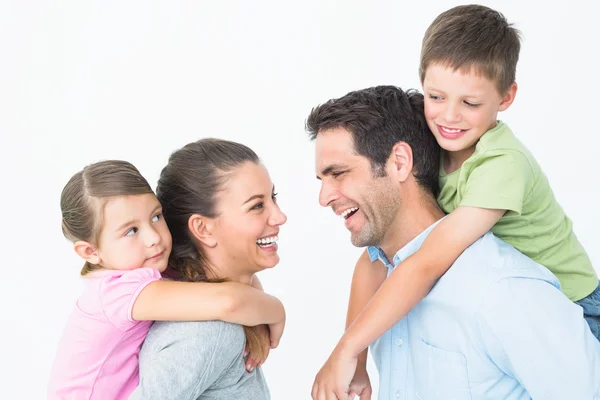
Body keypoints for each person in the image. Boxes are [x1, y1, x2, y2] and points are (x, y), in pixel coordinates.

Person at [307, 85, 600, 399]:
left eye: (338, 173)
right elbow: (371, 264)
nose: (324, 198)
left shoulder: (502, 288)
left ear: (400, 163)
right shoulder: (381, 279)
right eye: (322, 180)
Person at [48, 159, 285, 400]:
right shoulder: (120, 291)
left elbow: (226, 283)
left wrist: (254, 312)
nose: (153, 237)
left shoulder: (144, 267)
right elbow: (229, 301)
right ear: (90, 252)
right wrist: (275, 311)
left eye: (156, 217)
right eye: (131, 231)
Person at [129, 138, 286, 399]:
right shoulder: (209, 332)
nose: (280, 216)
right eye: (257, 206)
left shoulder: (225, 320)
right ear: (203, 228)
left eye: (273, 197)